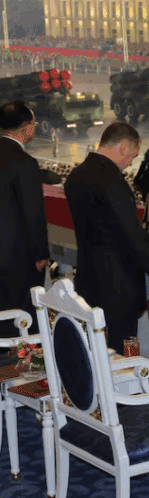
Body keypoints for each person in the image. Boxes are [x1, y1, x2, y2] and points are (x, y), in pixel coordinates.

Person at [64, 123, 149, 353]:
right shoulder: (111, 181)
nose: (131, 162)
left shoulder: (76, 176)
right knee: (125, 352)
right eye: (132, 154)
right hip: (118, 287)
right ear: (122, 147)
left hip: (88, 279)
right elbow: (132, 232)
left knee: (95, 352)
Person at [0, 100, 49, 336]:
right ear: (27, 127)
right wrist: (40, 254)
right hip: (16, 258)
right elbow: (33, 213)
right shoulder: (25, 163)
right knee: (21, 320)